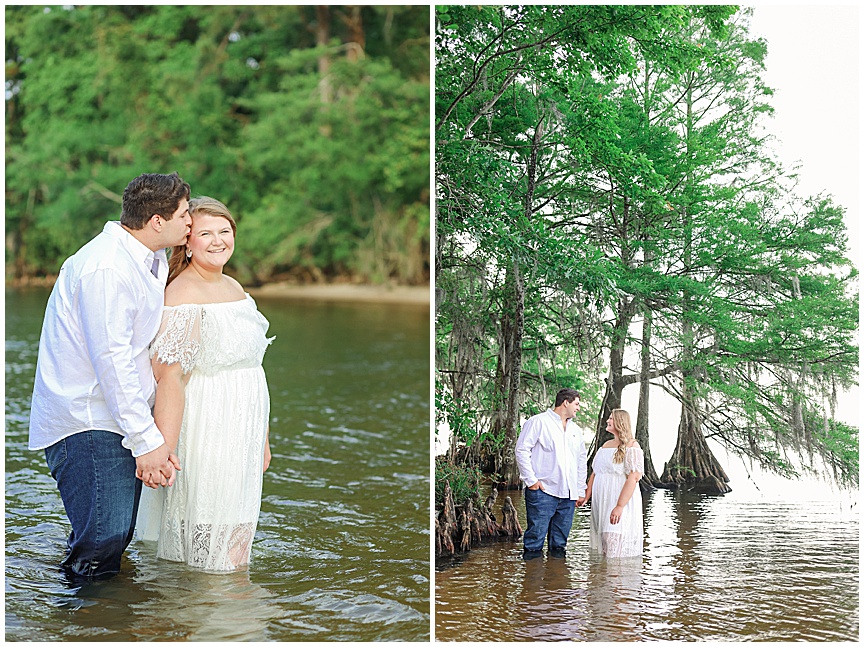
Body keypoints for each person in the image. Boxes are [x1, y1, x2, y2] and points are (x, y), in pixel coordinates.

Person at [28, 172, 192, 580]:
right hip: (88, 421)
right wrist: (146, 440)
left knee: (111, 539)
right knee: (103, 539)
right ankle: (83, 628)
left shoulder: (146, 259)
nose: (190, 222)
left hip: (116, 417)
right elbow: (112, 361)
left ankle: (96, 619)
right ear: (157, 221)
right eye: (185, 214)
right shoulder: (106, 268)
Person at [136, 196, 273, 571]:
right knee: (210, 521)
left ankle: (226, 612)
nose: (217, 241)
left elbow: (251, 370)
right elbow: (170, 378)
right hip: (207, 426)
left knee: (238, 526)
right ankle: (209, 611)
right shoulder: (182, 294)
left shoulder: (234, 288)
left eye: (224, 231)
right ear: (187, 241)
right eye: (206, 233)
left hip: (242, 428)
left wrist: (261, 437)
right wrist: (162, 449)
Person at [514, 388, 588, 559]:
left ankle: (557, 582)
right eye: (576, 404)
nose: (578, 408)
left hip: (568, 495)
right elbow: (522, 450)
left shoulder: (576, 430)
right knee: (534, 541)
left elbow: (581, 461)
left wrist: (580, 490)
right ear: (565, 402)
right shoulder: (538, 422)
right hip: (543, 491)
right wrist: (531, 481)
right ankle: (532, 581)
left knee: (560, 544)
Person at [585, 409, 644, 558]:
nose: (607, 421)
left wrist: (619, 506)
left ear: (619, 422)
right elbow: (595, 473)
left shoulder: (633, 446)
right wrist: (586, 496)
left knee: (613, 539)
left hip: (619, 500)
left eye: (611, 418)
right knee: (604, 543)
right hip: (601, 502)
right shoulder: (606, 445)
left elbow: (634, 478)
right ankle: (605, 579)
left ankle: (615, 579)